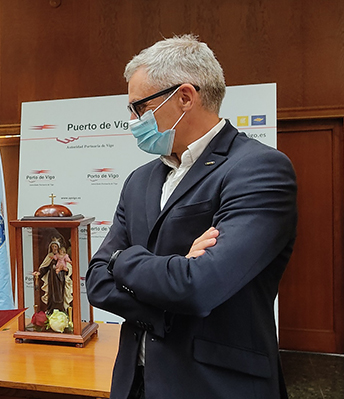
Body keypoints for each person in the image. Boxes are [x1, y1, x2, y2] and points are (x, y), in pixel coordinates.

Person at [85, 35, 297, 399]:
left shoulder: (258, 169)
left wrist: (122, 260)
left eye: (140, 108)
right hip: (135, 383)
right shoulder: (139, 180)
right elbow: (96, 281)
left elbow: (200, 287)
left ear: (185, 97)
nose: (133, 121)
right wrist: (173, 278)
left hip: (215, 385)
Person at [33, 238, 73, 318]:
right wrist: (39, 273)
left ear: (58, 247)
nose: (54, 248)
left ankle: (62, 312)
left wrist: (65, 269)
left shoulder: (62, 256)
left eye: (55, 246)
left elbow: (69, 267)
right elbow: (45, 267)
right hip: (52, 280)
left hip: (61, 279)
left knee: (60, 296)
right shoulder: (50, 256)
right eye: (53, 247)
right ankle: (51, 312)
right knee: (52, 297)